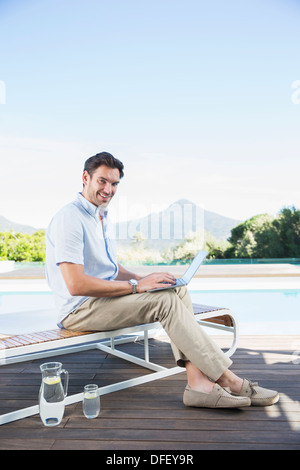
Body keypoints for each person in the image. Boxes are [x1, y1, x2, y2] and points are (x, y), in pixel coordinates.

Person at [46, 152, 279, 409]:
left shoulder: (100, 216)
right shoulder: (70, 217)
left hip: (102, 301)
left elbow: (109, 267)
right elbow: (76, 285)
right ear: (85, 178)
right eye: (102, 181)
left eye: (114, 184)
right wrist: (136, 287)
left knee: (175, 291)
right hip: (80, 309)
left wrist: (142, 278)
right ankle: (228, 379)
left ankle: (198, 384)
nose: (108, 189)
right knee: (166, 302)